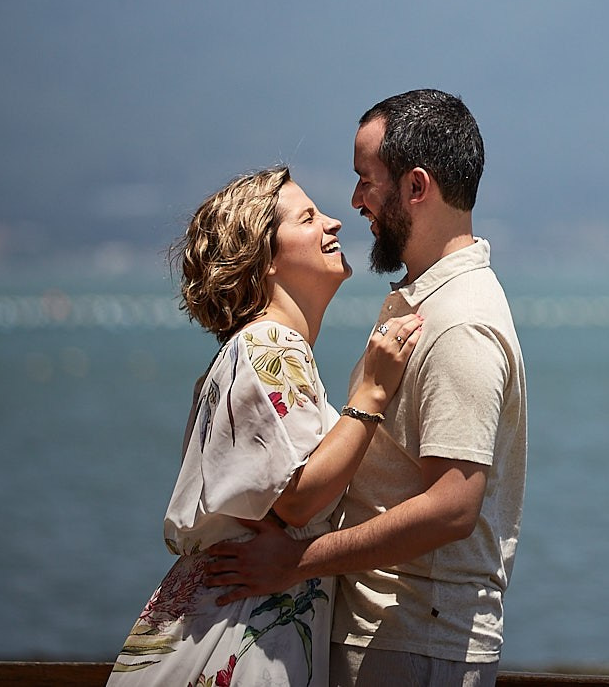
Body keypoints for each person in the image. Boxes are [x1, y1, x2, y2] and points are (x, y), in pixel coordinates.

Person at [207, 90, 526, 687]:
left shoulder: (460, 322)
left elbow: (453, 507)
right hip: (394, 637)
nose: (354, 203)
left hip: (415, 643)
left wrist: (294, 564)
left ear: (416, 186)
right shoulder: (424, 299)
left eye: (365, 180)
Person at [113, 166, 426, 687]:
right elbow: (298, 499)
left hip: (220, 623)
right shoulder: (268, 347)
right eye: (307, 218)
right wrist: (372, 390)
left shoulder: (244, 351)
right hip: (243, 638)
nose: (333, 223)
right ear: (266, 260)